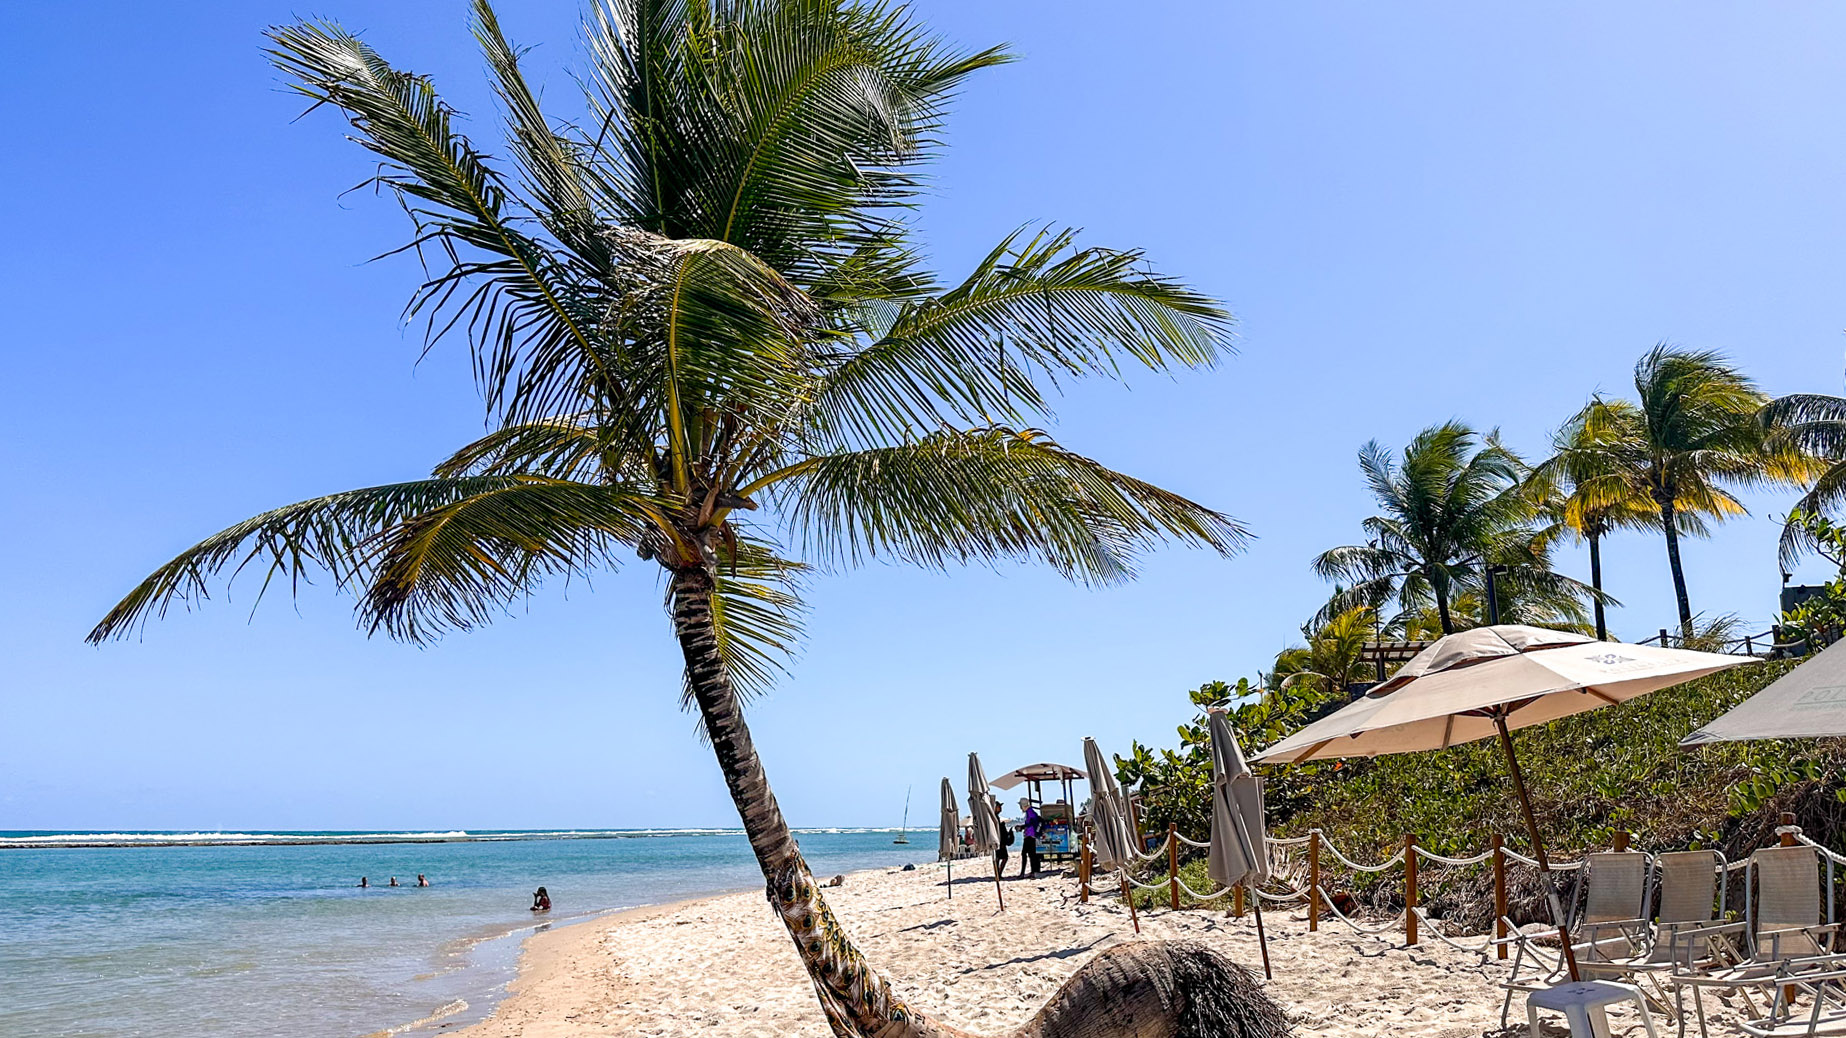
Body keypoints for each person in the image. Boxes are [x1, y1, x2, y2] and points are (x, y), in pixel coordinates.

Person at [1017, 798, 1042, 878]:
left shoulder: (1030, 812)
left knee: (1025, 853)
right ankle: (1034, 871)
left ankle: (1023, 873)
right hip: (1031, 835)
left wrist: (1022, 827)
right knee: (1032, 854)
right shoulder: (1030, 812)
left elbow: (1030, 823)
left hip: (1030, 835)